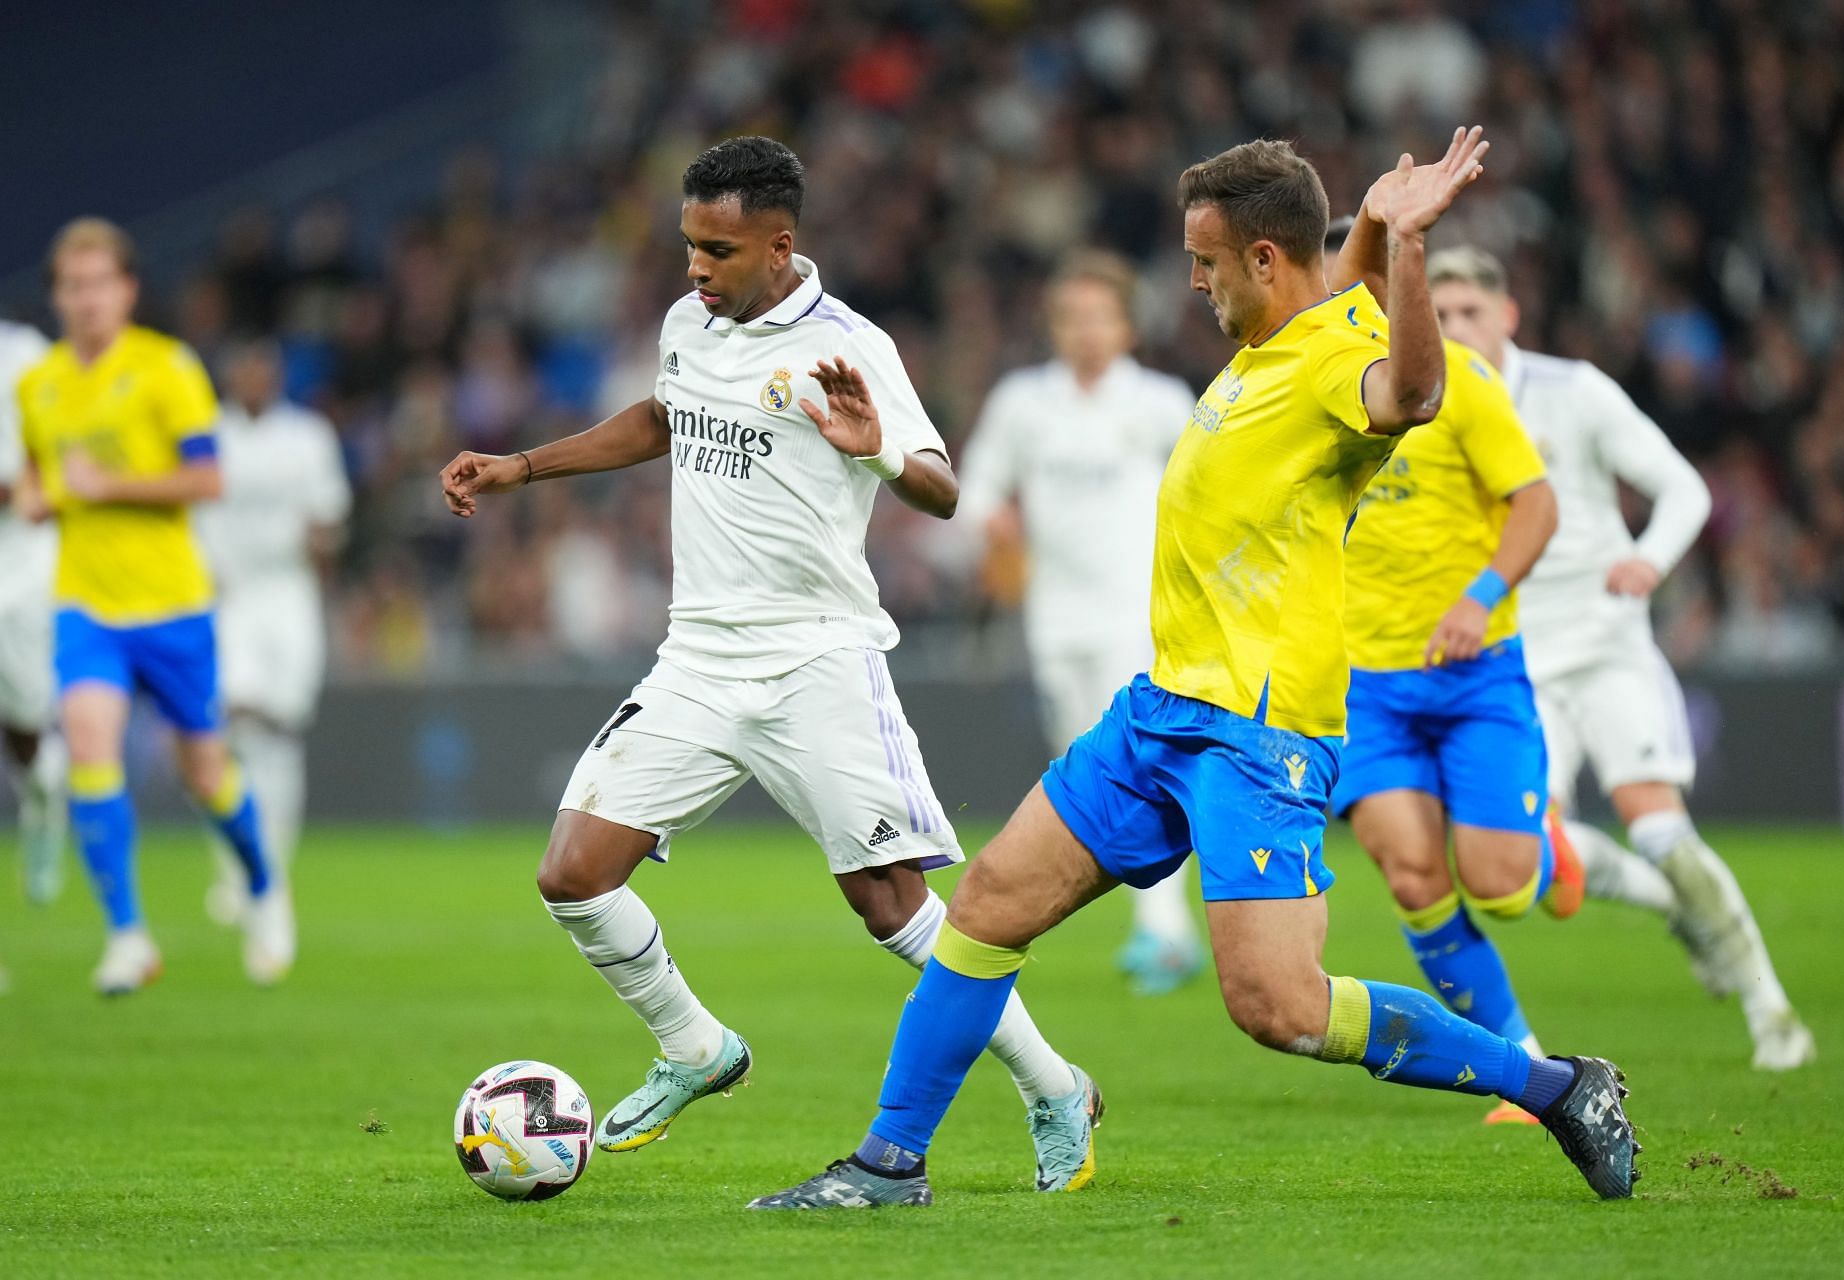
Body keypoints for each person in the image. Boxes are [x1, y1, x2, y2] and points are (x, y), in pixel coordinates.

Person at [752, 128, 1641, 1211]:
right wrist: (1371, 223)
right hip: (1165, 705)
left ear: (1265, 260)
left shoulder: (1333, 367)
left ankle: (1556, 1085)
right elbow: (1342, 279)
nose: (1193, 280)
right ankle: (889, 1160)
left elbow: (1408, 392)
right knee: (984, 902)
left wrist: (1405, 247)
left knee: (1281, 1005)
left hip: (1258, 733)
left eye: (1207, 260)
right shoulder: (1299, 327)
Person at [437, 137, 1096, 1189]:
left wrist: (874, 442)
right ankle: (697, 1046)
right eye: (689, 243)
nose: (695, 266)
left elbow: (940, 486)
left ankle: (1055, 1084)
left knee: (894, 907)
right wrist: (525, 465)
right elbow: (664, 415)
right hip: (697, 657)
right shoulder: (688, 323)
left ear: (779, 244)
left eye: (718, 249)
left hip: (816, 659)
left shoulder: (850, 343)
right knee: (571, 873)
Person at [1425, 246, 1815, 1072]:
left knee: (1663, 831)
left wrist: (1651, 558)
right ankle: (1674, 908)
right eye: (1441, 313)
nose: (1456, 328)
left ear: (1508, 316)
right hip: (1511, 667)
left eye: (1469, 312)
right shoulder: (1421, 406)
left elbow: (1685, 488)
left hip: (1605, 648)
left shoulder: (1575, 392)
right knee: (1522, 868)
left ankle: (1770, 1008)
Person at [1322, 211, 1575, 1128]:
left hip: (1474, 674)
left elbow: (1537, 508)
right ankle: (1528, 1068)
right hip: (1363, 688)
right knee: (1413, 876)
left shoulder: (1462, 382)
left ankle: (1543, 840)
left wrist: (1477, 598)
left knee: (1503, 886)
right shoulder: (1311, 384)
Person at [14, 218, 290, 993]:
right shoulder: (39, 386)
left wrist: (111, 488)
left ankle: (265, 888)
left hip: (173, 606)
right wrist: (38, 497)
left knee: (206, 773)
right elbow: (38, 473)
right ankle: (127, 935)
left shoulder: (166, 367)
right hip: (86, 605)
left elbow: (207, 481)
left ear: (127, 290)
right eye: (73, 286)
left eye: (101, 283)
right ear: (58, 297)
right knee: (88, 744)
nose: (88, 299)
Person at [959, 249, 1203, 996]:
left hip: (1143, 614)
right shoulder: (1023, 404)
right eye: (1071, 318)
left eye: (1100, 317)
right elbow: (973, 490)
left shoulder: (1163, 402)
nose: (1086, 332)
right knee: (1092, 775)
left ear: (1128, 325)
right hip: (1054, 619)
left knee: (1143, 768)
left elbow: (1204, 499)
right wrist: (991, 522)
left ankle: (1165, 932)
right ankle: (1164, 930)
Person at [197, 339, 352, 935]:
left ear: (278, 374)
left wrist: (321, 558)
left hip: (288, 598)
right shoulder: (208, 433)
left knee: (281, 731)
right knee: (233, 726)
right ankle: (237, 869)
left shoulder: (307, 436)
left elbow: (328, 521)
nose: (255, 378)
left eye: (264, 368)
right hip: (228, 598)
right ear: (231, 375)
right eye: (245, 368)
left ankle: (270, 868)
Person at [0, 317, 65, 907]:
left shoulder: (25, 353)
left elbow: (55, 452)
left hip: (18, 562)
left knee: (24, 722)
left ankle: (43, 791)